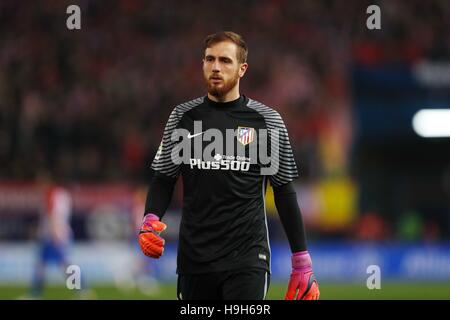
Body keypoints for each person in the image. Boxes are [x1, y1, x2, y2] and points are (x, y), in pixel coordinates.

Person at [138, 31, 320, 300]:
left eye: (225, 60)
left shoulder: (267, 121)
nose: (215, 67)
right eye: (209, 59)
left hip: (248, 259)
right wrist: (150, 218)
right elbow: (163, 179)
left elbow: (283, 191)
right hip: (194, 261)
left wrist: (301, 260)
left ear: (242, 69)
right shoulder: (182, 117)